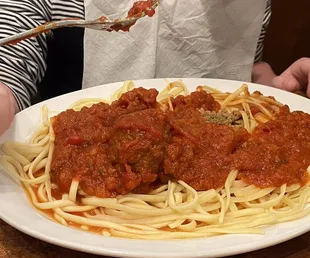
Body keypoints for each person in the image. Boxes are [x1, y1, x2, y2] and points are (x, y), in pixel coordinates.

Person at [0, 0, 275, 135]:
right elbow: (9, 65)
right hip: (77, 146)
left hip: (221, 144)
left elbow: (243, 67)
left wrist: (271, 89)